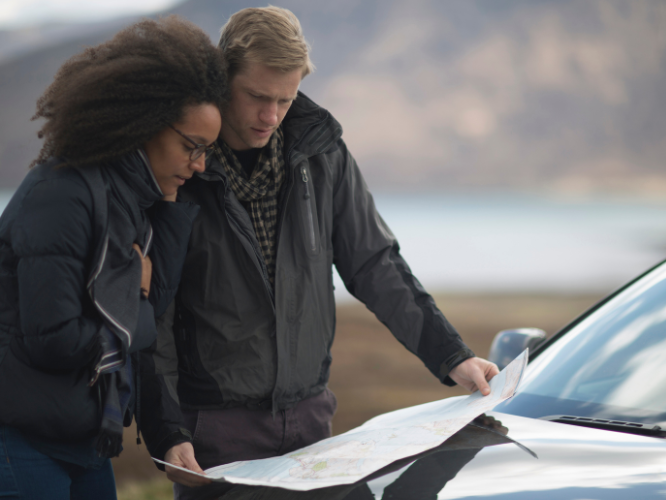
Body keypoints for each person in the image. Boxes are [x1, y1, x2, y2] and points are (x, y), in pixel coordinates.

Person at [156, 7, 499, 498]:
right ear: (222, 78)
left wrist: (452, 355)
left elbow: (375, 263)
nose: (271, 116)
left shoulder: (323, 153)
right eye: (257, 96)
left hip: (312, 424)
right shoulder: (181, 167)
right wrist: (169, 430)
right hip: (214, 433)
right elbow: (156, 314)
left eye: (285, 100)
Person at [0, 16, 227, 499]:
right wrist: (136, 297)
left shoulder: (133, 203)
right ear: (144, 124)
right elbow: (55, 340)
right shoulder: (61, 193)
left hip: (85, 443)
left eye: (207, 151)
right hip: (20, 444)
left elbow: (149, 314)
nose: (200, 164)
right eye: (193, 147)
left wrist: (168, 211)